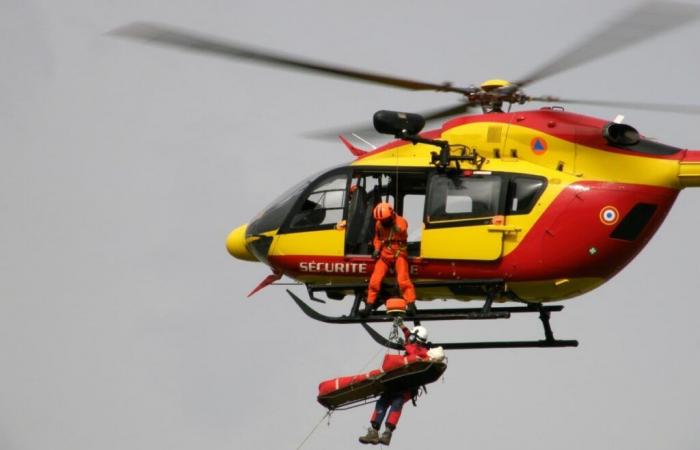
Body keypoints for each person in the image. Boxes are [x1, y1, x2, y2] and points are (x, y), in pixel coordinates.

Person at [358, 321, 430, 445]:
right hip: (397, 382)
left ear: (416, 338)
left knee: (397, 403)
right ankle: (374, 432)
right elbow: (409, 337)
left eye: (411, 338)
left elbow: (414, 351)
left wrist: (404, 344)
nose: (409, 339)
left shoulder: (422, 350)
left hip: (408, 386)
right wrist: (401, 325)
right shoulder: (414, 345)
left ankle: (387, 433)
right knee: (382, 401)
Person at [364, 202, 416, 313]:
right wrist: (377, 249)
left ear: (391, 215)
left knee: (403, 280)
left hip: (399, 254)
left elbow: (402, 230)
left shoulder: (400, 221)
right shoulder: (379, 224)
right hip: (385, 256)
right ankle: (369, 304)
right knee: (374, 280)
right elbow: (377, 238)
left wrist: (394, 226)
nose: (383, 222)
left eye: (385, 220)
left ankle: (411, 304)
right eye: (381, 220)